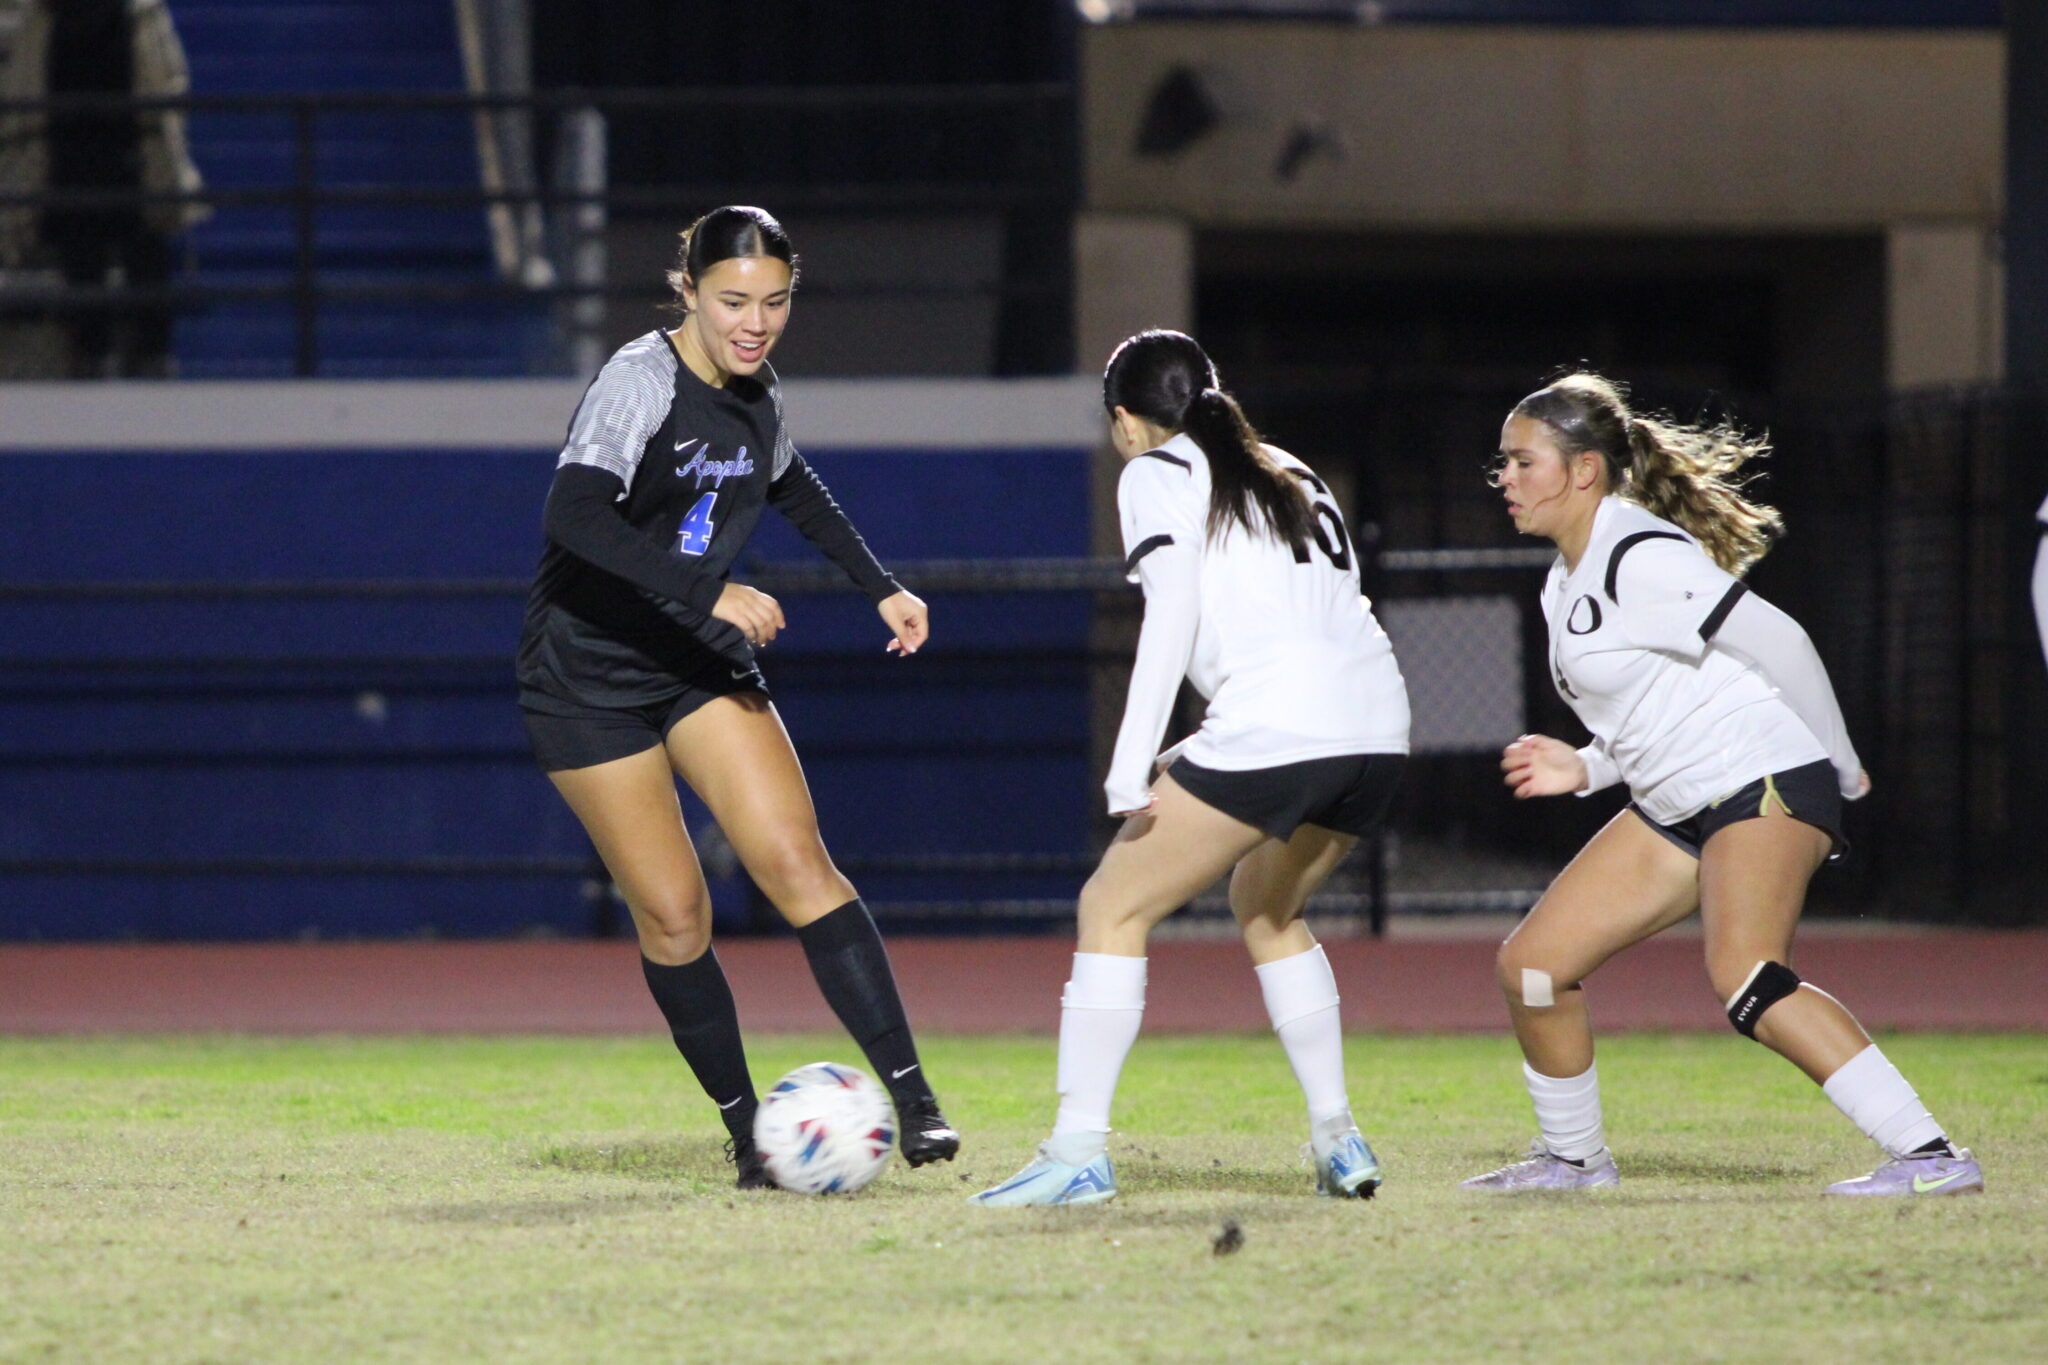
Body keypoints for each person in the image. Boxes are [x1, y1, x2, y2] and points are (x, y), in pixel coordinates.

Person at [515, 205, 958, 1189]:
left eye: (772, 302)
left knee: (796, 862)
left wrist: (877, 582)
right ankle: (745, 1129)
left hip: (692, 657)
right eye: (731, 302)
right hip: (586, 673)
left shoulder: (757, 394)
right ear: (686, 291)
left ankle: (915, 1101)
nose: (752, 323)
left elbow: (790, 481)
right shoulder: (639, 380)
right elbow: (572, 512)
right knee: (674, 916)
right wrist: (705, 585)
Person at [1466, 372, 1980, 1197]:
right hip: (1678, 800)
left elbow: (1783, 644)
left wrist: (1839, 761)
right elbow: (1658, 705)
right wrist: (1588, 765)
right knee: (1533, 966)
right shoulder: (1564, 578)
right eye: (1503, 464)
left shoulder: (1638, 551)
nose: (1507, 480)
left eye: (1523, 462)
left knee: (1747, 975)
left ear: (1586, 470)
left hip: (1761, 778)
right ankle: (1573, 1161)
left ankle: (1931, 1157)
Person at [972, 330, 1411, 1207]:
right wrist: (1202, 743)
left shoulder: (1157, 469)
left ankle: (1077, 1151)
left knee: (1111, 904)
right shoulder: (1290, 468)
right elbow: (1313, 621)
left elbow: (1171, 614)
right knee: (1266, 906)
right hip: (1377, 728)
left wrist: (1130, 764)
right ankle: (1339, 1137)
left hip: (1282, 728)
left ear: (1127, 421)